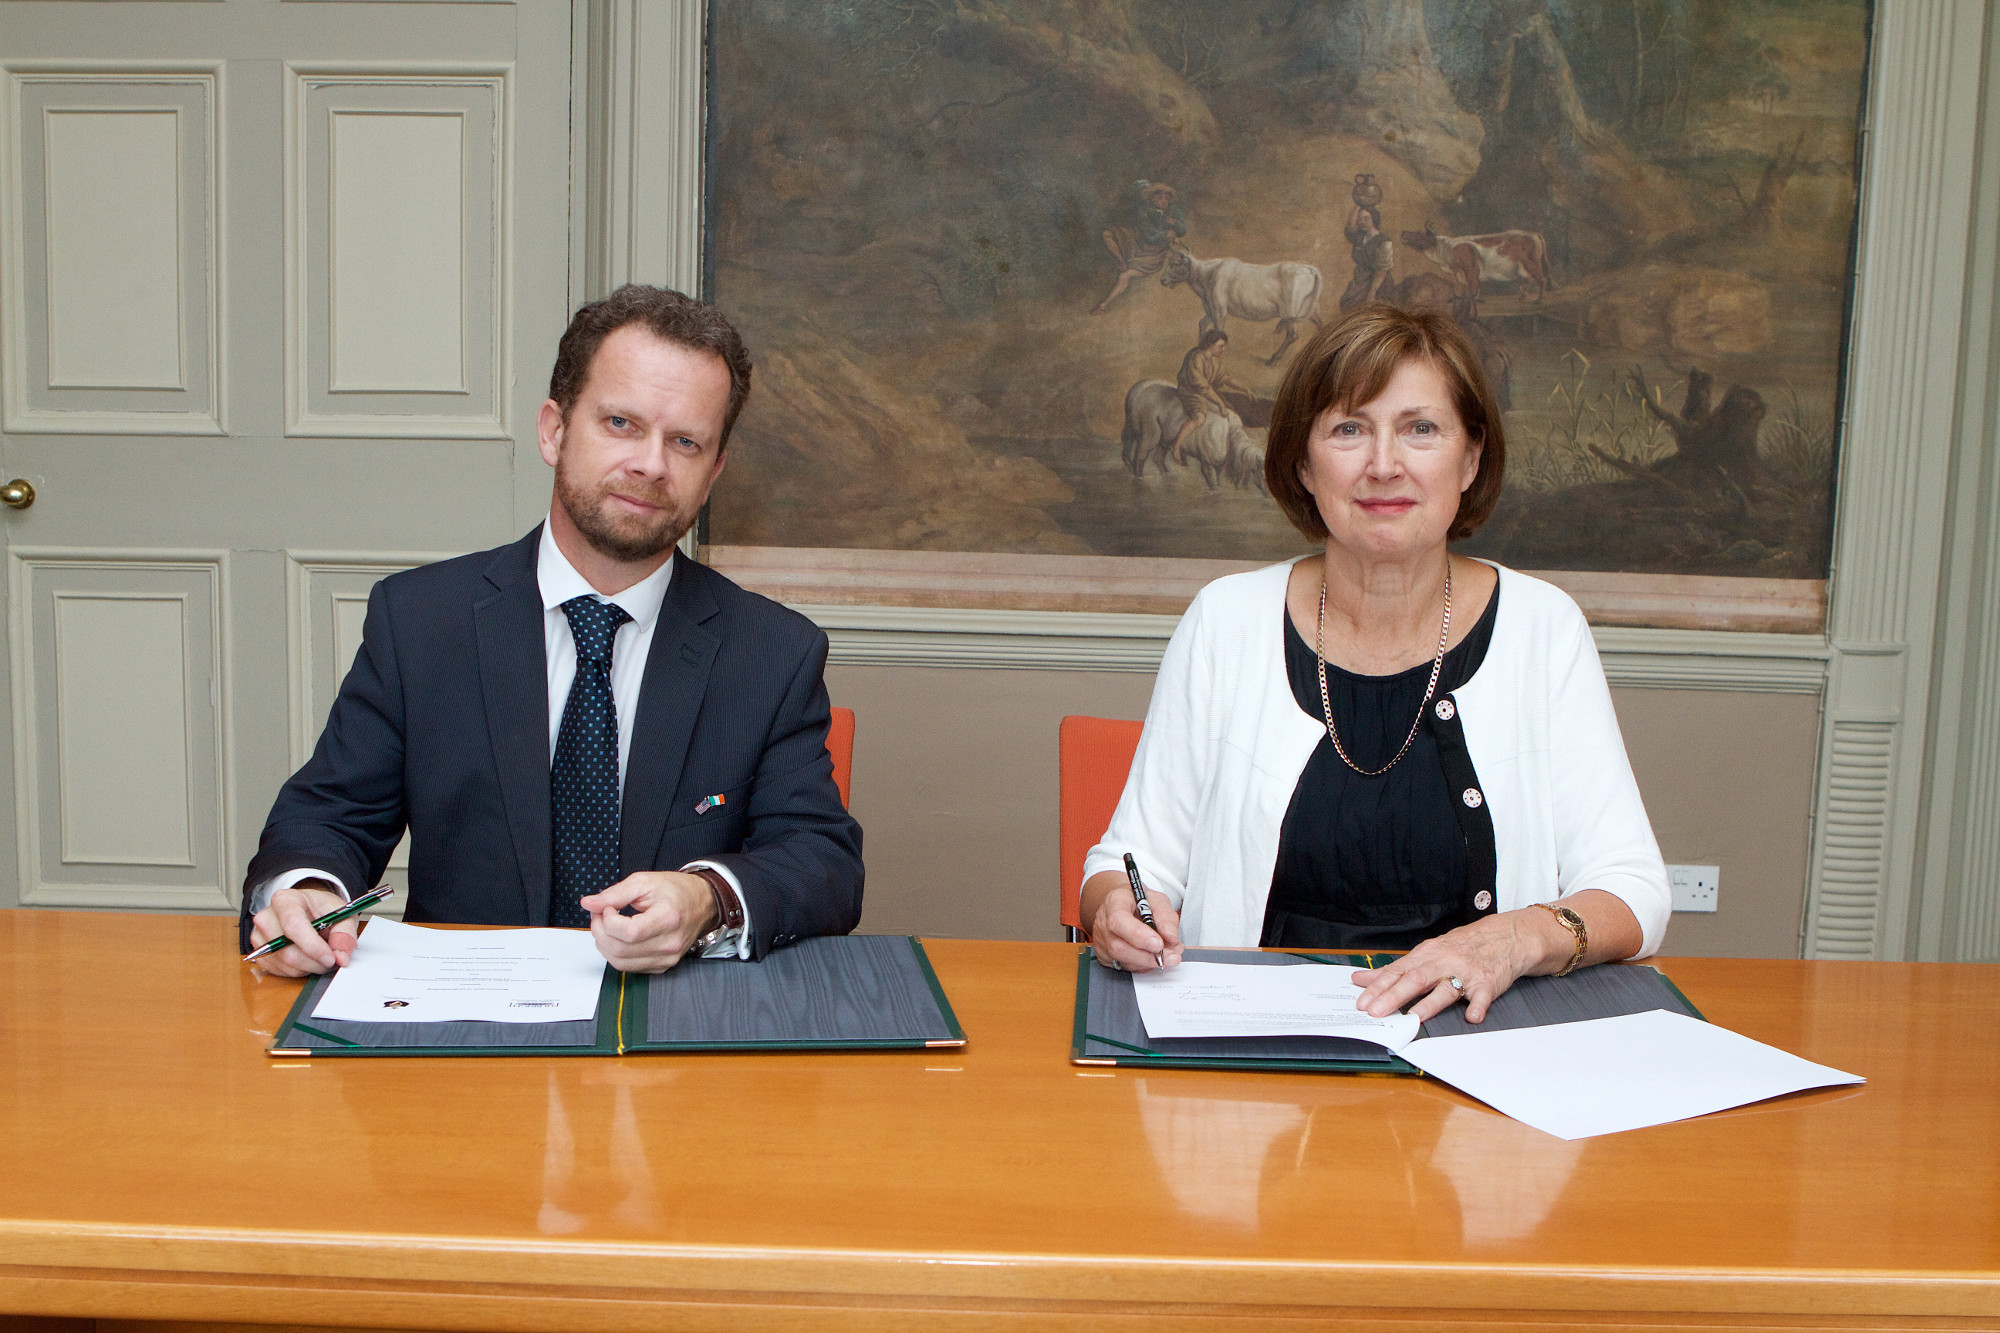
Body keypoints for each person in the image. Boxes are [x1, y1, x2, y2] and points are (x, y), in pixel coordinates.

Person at [240, 285, 863, 976]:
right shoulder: (421, 621)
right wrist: (306, 892)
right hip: (465, 1019)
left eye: (685, 442)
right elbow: (328, 817)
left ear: (713, 472)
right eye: (621, 423)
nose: (651, 464)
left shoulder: (772, 652)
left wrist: (708, 897)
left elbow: (821, 861)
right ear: (554, 430)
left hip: (671, 1020)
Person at [1079, 302, 1669, 1023]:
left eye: (1421, 429)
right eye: (1349, 430)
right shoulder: (1225, 621)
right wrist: (1116, 908)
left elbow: (1633, 890)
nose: (1384, 465)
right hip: (1257, 1044)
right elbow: (1127, 864)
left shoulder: (1544, 628)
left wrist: (1515, 938)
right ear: (1303, 463)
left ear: (1471, 458)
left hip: (1481, 1042)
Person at [1091, 180, 1189, 314]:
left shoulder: (1173, 212)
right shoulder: (1144, 213)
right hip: (1151, 254)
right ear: (1152, 199)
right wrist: (1166, 234)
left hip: (1167, 250)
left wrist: (1175, 223)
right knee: (1125, 276)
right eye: (1160, 198)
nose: (1164, 201)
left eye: (1166, 198)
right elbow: (1149, 237)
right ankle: (1103, 305)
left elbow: (1182, 231)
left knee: (1186, 261)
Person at [1166, 329, 1249, 464]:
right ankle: (1176, 446)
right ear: (1210, 345)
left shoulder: (1214, 361)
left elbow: (1226, 378)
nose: (1223, 350)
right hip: (1190, 392)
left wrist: (1245, 389)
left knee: (1229, 412)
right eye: (1221, 346)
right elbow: (1201, 385)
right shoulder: (1196, 357)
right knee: (1200, 418)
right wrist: (1220, 404)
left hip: (1205, 394)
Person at [1340, 204, 1395, 311]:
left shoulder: (1383, 242)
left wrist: (1371, 294)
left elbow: (1381, 271)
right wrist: (1357, 204)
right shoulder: (1359, 237)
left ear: (1374, 219)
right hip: (1360, 280)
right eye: (1360, 218)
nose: (1362, 222)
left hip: (1378, 284)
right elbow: (1350, 229)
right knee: (1347, 305)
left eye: (1366, 218)